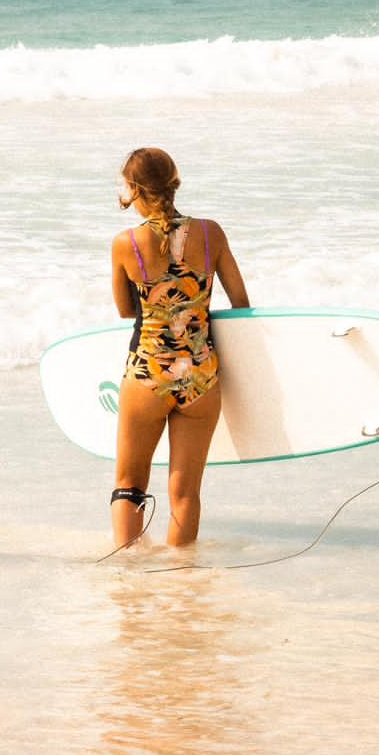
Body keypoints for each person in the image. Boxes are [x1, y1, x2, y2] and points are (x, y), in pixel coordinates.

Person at [109, 147, 249, 549]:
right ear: (173, 183)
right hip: (202, 377)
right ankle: (181, 578)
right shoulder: (211, 233)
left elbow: (124, 309)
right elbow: (240, 301)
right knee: (185, 494)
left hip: (148, 374)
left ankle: (128, 569)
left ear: (134, 189)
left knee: (130, 483)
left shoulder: (126, 244)